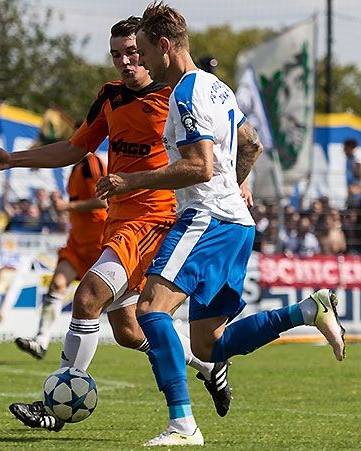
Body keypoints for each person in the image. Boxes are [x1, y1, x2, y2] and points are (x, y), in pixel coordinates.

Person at [94, 3, 345, 445]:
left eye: (147, 53)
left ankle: (182, 425)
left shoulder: (187, 93)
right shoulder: (218, 88)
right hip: (236, 222)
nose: (144, 63)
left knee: (151, 311)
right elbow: (251, 145)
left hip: (206, 218)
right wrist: (236, 184)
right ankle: (310, 309)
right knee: (209, 345)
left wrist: (129, 180)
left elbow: (199, 167)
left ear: (164, 46)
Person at [0, 17, 232, 431]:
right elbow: (72, 147)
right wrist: (14, 159)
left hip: (155, 221)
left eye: (132, 52)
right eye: (117, 55)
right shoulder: (110, 98)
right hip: (119, 223)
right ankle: (208, 363)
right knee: (130, 331)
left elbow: (224, 144)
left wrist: (239, 182)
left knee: (86, 298)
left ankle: (56, 404)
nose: (125, 61)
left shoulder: (179, 95)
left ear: (153, 50)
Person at [14, 152, 108, 360]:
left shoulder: (91, 164)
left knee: (123, 315)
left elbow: (103, 201)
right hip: (76, 241)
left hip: (98, 242)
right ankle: (41, 340)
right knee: (57, 284)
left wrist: (68, 206)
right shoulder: (77, 166)